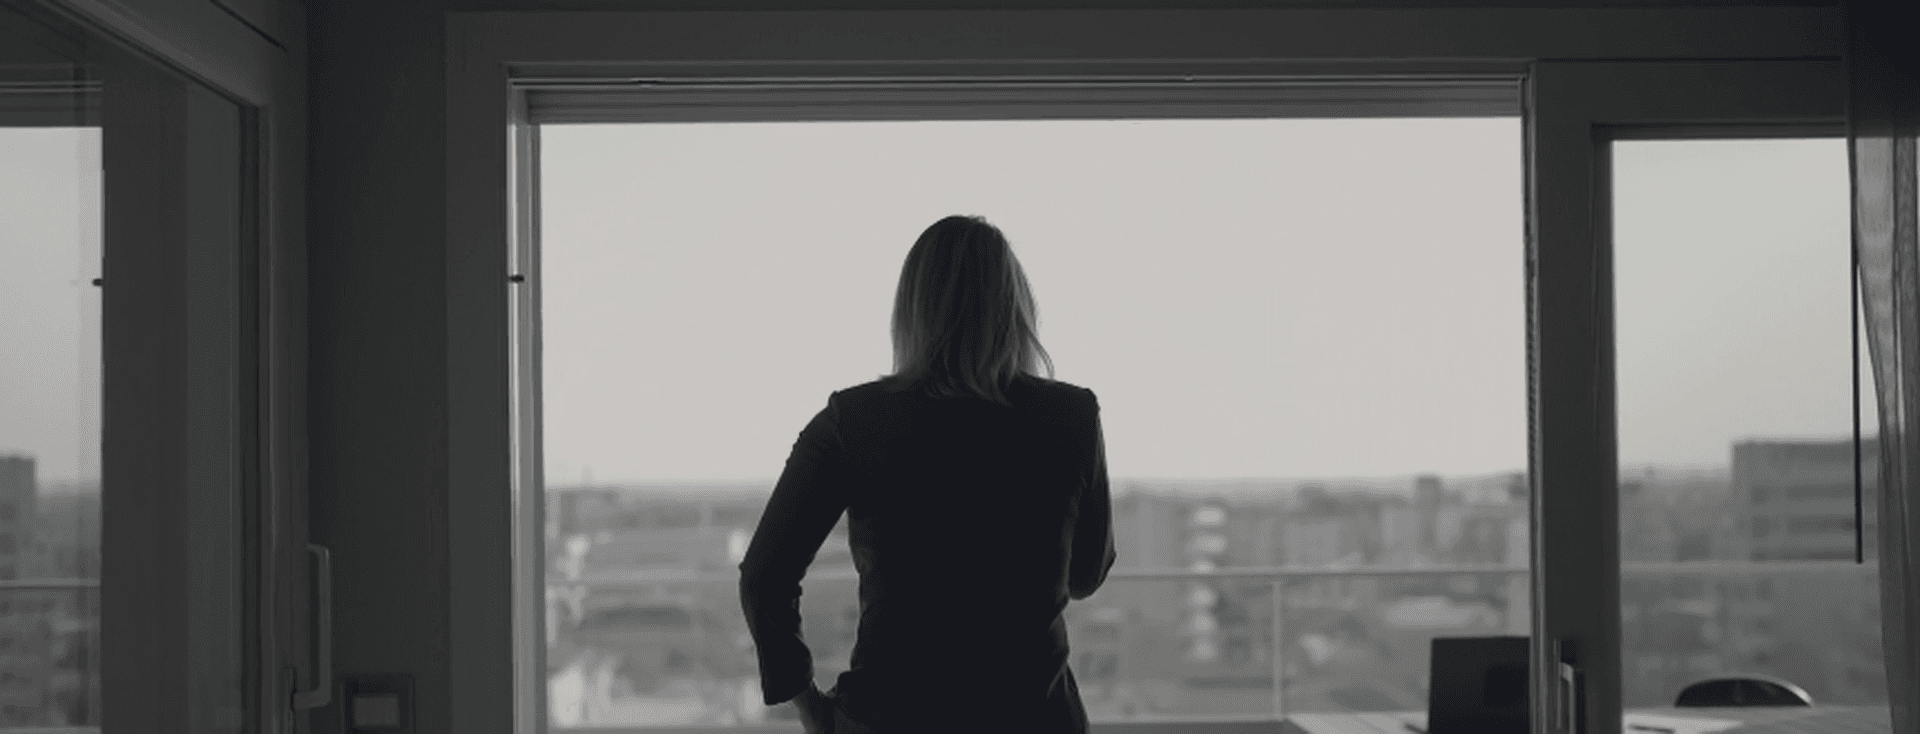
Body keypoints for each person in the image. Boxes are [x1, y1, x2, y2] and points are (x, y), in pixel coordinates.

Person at [738, 215, 1118, 734]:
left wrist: (811, 707)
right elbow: (1085, 576)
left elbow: (764, 575)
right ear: (1014, 308)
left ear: (910, 311)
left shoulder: (852, 420)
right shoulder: (1070, 415)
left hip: (889, 717)